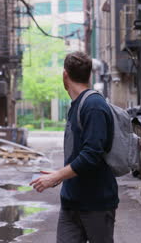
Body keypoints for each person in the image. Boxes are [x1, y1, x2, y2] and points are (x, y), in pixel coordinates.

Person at [30, 51, 118, 243]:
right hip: (72, 202)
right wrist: (59, 175)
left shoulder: (94, 105)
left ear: (65, 75)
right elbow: (80, 154)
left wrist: (57, 176)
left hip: (96, 203)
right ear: (89, 75)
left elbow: (91, 156)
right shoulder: (77, 105)